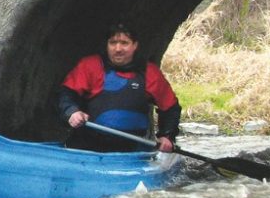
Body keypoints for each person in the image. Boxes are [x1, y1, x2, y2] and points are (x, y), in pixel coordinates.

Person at [58, 22, 181, 153]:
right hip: (88, 147)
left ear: (135, 45)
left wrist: (166, 136)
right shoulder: (90, 66)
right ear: (107, 45)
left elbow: (170, 108)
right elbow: (67, 95)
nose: (118, 48)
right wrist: (72, 112)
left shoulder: (150, 72)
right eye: (113, 43)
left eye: (124, 43)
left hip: (132, 151)